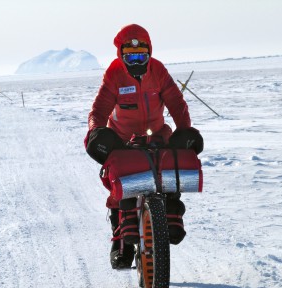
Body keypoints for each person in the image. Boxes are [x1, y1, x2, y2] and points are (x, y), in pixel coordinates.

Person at [85, 24, 203, 269]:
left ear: (149, 52)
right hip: (122, 140)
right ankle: (121, 240)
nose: (137, 60)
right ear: (121, 54)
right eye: (131, 55)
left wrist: (184, 129)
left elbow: (177, 103)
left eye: (141, 55)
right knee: (120, 188)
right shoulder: (114, 74)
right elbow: (99, 110)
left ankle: (170, 218)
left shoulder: (158, 71)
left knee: (169, 175)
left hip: (157, 136)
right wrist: (96, 131)